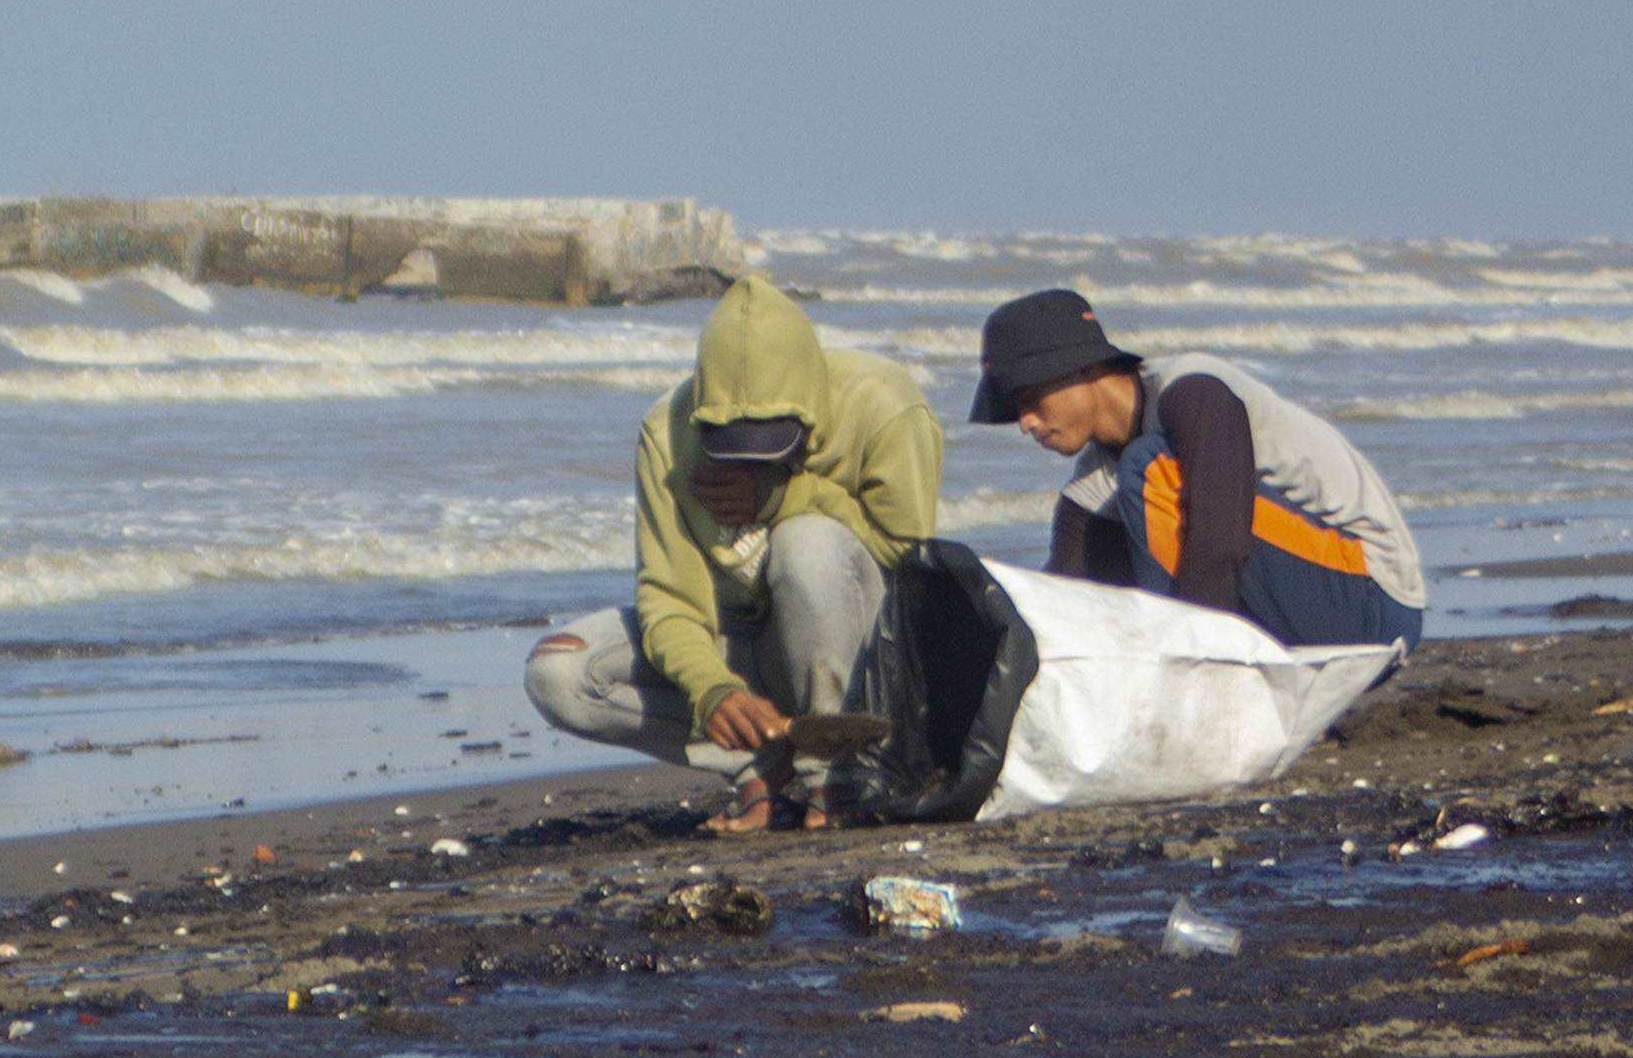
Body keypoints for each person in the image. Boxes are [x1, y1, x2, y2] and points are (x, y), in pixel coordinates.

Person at [524, 273, 941, 832]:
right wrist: (712, 690)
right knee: (559, 670)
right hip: (742, 649)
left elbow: (910, 562)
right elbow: (670, 599)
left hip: (860, 661)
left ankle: (837, 777)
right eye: (730, 443)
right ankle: (756, 762)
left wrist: (789, 496)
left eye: (771, 443)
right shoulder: (667, 434)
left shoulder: (885, 405)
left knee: (806, 543)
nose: (747, 461)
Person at [972, 288, 1423, 651]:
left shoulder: (1193, 390)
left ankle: (1197, 663)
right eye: (1015, 411)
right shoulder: (1093, 482)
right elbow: (1063, 599)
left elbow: (1219, 545)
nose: (1026, 423)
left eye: (1030, 400)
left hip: (1374, 602)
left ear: (1080, 370)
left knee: (1151, 468)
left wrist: (1181, 668)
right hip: (1300, 603)